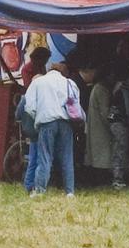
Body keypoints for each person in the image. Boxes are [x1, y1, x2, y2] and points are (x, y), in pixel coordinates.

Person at [23, 62, 83, 198]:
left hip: (47, 121)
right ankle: (70, 191)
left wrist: (37, 118)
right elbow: (76, 103)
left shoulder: (38, 82)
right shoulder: (69, 83)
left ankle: (40, 190)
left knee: (45, 157)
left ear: (49, 70)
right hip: (66, 123)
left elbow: (29, 107)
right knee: (67, 157)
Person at [19, 47, 51, 194]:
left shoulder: (40, 67)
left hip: (39, 109)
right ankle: (30, 183)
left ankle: (30, 183)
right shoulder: (28, 69)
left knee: (35, 154)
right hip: (35, 111)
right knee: (35, 154)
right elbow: (29, 88)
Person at [82, 67, 114, 181]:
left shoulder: (96, 88)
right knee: (102, 153)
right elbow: (104, 111)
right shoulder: (102, 89)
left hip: (95, 125)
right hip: (100, 127)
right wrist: (110, 125)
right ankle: (102, 178)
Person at [107, 66, 129, 189]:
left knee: (117, 148)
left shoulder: (115, 89)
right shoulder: (123, 91)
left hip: (114, 122)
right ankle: (117, 178)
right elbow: (127, 109)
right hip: (120, 123)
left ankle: (117, 176)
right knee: (120, 149)